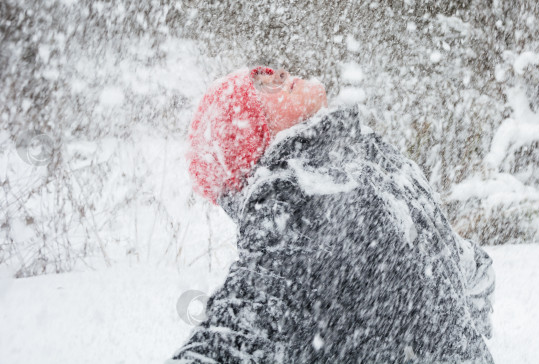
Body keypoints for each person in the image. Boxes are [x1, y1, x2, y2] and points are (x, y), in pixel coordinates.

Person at [170, 66, 495, 363]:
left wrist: (461, 328)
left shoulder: (361, 160)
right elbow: (244, 322)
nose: (278, 74)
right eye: (260, 85)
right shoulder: (292, 194)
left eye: (267, 72)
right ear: (248, 136)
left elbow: (459, 265)